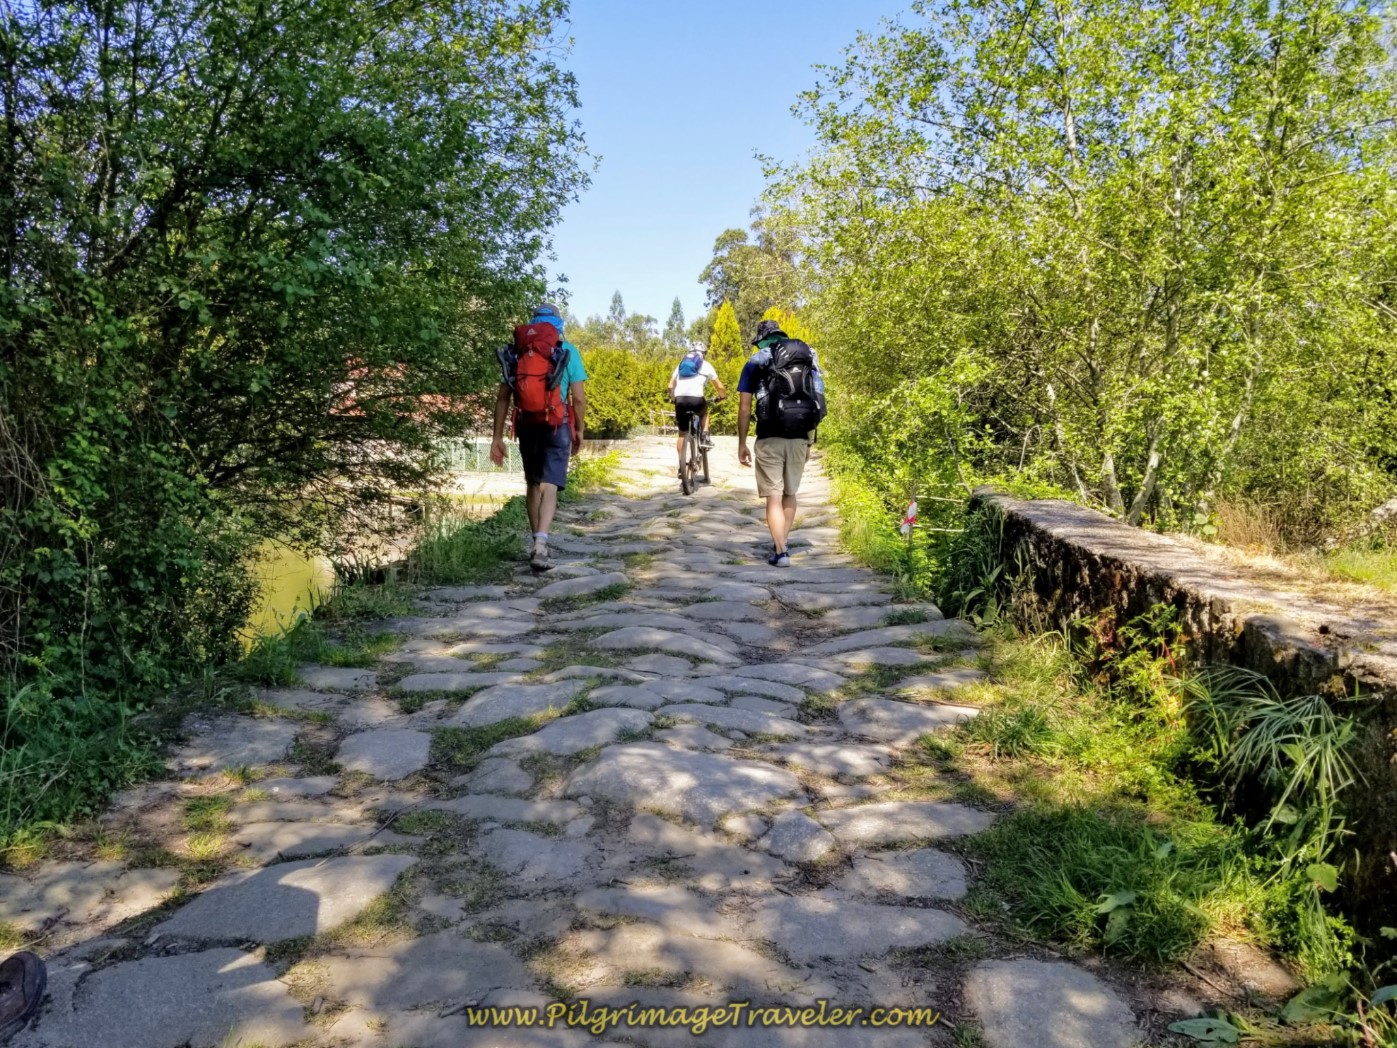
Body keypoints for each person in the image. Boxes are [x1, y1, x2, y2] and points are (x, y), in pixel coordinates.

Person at [490, 303, 588, 573]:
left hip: (527, 424)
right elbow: (578, 398)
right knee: (550, 485)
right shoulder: (567, 351)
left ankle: (535, 541)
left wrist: (497, 436)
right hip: (557, 425)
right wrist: (579, 429)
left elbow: (503, 397)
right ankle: (542, 546)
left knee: (533, 483)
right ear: (559, 325)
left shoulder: (519, 351)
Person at [736, 319, 826, 566]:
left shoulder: (756, 361)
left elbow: (744, 408)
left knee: (773, 497)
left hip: (769, 436)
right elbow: (817, 400)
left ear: (761, 339)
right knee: (790, 493)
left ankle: (781, 550)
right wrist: (809, 441)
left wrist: (742, 443)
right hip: (799, 436)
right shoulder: (806, 357)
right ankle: (781, 545)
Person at [667, 343, 726, 478]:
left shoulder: (681, 365)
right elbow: (719, 385)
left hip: (680, 400)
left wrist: (673, 398)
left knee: (682, 435)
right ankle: (705, 436)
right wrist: (723, 396)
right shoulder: (706, 365)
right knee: (704, 413)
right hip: (697, 400)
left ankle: (682, 466)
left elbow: (670, 385)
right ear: (704, 353)